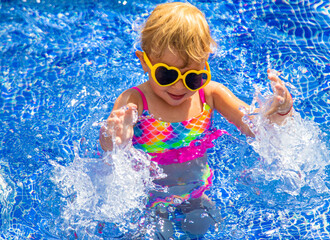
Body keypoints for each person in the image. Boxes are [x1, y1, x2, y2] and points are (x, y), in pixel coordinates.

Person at [99, 2, 293, 238]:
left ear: (206, 63)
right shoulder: (136, 100)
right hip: (149, 201)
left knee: (205, 228)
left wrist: (278, 111)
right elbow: (110, 149)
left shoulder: (211, 94)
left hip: (195, 194)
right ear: (144, 62)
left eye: (193, 77)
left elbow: (255, 127)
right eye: (166, 74)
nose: (179, 86)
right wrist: (115, 137)